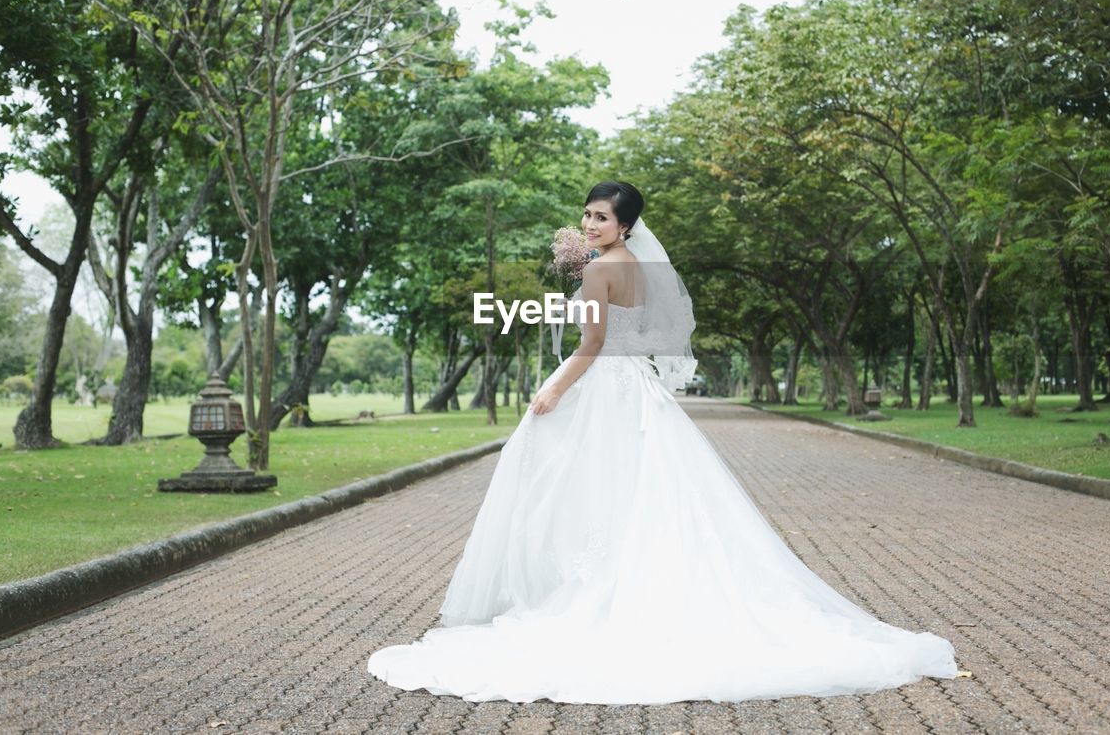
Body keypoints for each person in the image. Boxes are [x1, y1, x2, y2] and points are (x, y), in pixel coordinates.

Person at [366, 181, 959, 704]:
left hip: (600, 384)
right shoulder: (637, 268)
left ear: (626, 225)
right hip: (635, 387)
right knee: (630, 490)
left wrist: (552, 393)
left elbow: (593, 342)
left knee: (577, 483)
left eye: (602, 217)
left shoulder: (599, 270)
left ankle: (584, 591)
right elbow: (644, 332)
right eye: (588, 215)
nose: (591, 224)